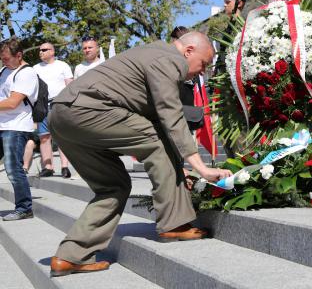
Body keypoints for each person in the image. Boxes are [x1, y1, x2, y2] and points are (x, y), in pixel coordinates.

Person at [48, 32, 231, 277]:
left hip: (61, 116)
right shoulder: (170, 60)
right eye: (204, 64)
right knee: (157, 139)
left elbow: (153, 115)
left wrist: (178, 170)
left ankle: (70, 257)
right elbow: (170, 114)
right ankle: (174, 223)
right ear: (188, 51)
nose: (202, 71)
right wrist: (202, 167)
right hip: (89, 110)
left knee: (113, 186)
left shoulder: (151, 52)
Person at [0, 38, 38, 221]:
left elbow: (13, 102)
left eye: (7, 58)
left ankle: (24, 208)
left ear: (19, 55)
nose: (4, 61)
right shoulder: (4, 71)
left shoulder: (27, 73)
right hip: (2, 125)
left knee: (13, 168)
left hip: (16, 127)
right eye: (2, 58)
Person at [33, 43, 73, 178]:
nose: (41, 52)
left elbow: (70, 86)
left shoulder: (62, 65)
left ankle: (65, 167)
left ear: (52, 51)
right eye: (40, 50)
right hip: (42, 105)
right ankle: (48, 168)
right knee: (44, 137)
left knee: (61, 137)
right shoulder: (35, 68)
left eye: (44, 50)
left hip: (59, 104)